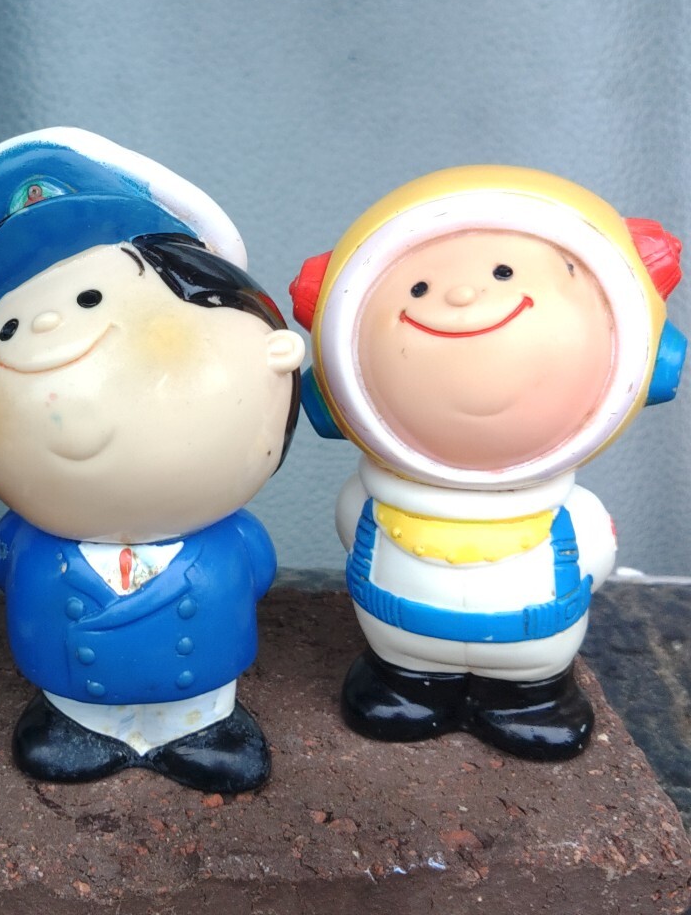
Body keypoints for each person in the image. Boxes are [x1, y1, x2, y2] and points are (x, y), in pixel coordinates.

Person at [0, 128, 303, 792]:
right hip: (75, 697)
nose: (46, 327)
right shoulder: (29, 539)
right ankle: (81, 726)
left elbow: (257, 572)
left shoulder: (230, 538)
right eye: (6, 328)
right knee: (75, 716)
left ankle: (201, 727)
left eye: (90, 299)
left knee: (201, 714)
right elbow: (5, 569)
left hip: (201, 692)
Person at [289, 165, 684, 759]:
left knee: (529, 682)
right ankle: (407, 684)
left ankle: (529, 697)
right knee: (402, 675)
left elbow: (594, 557)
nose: (461, 295)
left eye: (503, 272)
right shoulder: (368, 499)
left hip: (534, 645)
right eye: (417, 287)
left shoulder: (571, 512)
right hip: (400, 643)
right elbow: (354, 531)